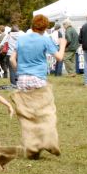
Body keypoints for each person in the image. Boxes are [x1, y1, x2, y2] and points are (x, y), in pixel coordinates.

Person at [10, 14, 66, 159]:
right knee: (44, 112)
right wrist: (63, 45)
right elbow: (59, 57)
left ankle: (32, 147)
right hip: (38, 79)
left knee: (27, 115)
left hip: (22, 79)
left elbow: (12, 59)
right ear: (45, 27)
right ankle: (48, 142)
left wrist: (19, 71)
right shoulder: (45, 40)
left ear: (33, 25)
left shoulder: (21, 40)